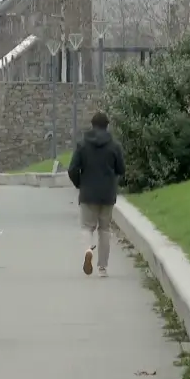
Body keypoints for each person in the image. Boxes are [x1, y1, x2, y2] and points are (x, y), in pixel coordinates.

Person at [67, 112, 125, 277]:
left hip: (88, 193)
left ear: (92, 125)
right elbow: (121, 169)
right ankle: (103, 268)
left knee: (86, 227)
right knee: (105, 229)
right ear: (107, 126)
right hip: (107, 194)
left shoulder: (83, 144)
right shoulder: (114, 145)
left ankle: (87, 251)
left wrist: (80, 183)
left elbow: (72, 169)